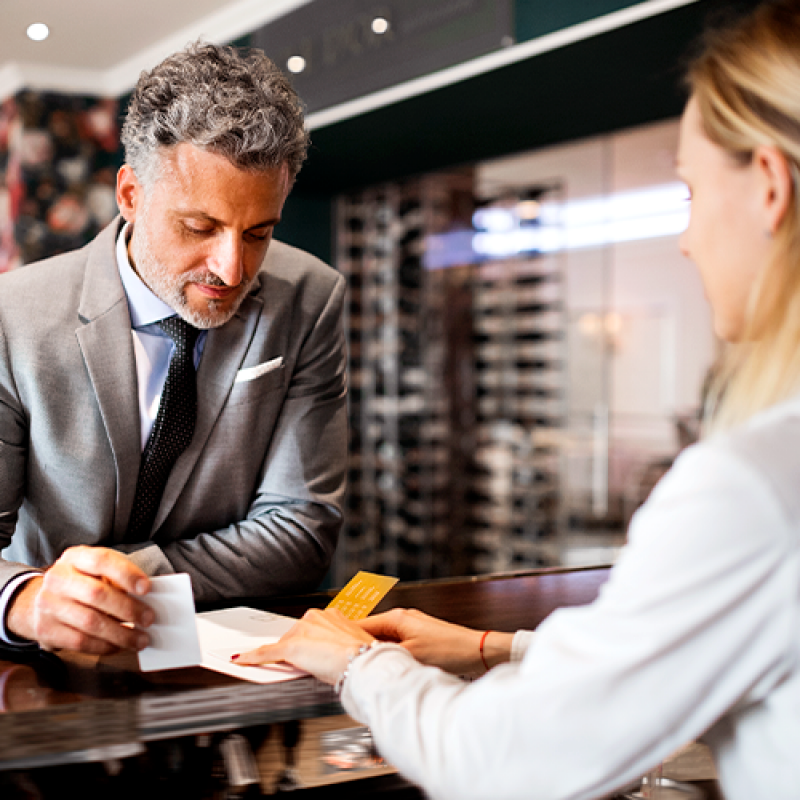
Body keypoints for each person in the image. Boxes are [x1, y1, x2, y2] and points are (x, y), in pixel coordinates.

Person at [235, 2, 800, 798]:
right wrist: (495, 647)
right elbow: (700, 656)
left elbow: (501, 766)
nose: (686, 238)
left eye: (690, 193)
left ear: (769, 187)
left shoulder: (754, 487)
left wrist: (357, 661)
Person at [0, 43, 348, 656]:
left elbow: (301, 532)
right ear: (130, 195)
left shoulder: (310, 299)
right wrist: (27, 598)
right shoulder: (12, 317)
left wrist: (117, 581)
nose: (232, 268)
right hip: (45, 663)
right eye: (199, 227)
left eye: (259, 232)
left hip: (231, 664)